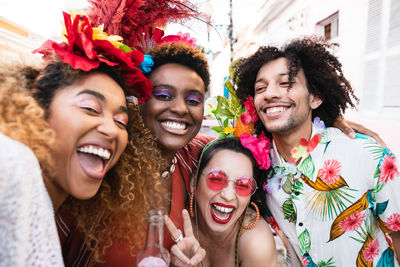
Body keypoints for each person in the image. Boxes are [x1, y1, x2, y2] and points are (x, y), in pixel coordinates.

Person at [0, 10, 162, 266]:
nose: (111, 129)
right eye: (90, 108)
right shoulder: (11, 163)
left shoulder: (46, 202)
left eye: (121, 122)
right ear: (38, 109)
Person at [233, 37, 400, 266]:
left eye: (285, 83)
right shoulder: (255, 169)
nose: (270, 93)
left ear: (315, 96)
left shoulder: (366, 153)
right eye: (261, 88)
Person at [165, 137, 277, 267]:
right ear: (194, 182)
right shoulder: (176, 227)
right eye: (217, 179)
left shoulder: (256, 243)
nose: (228, 196)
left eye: (243, 185)